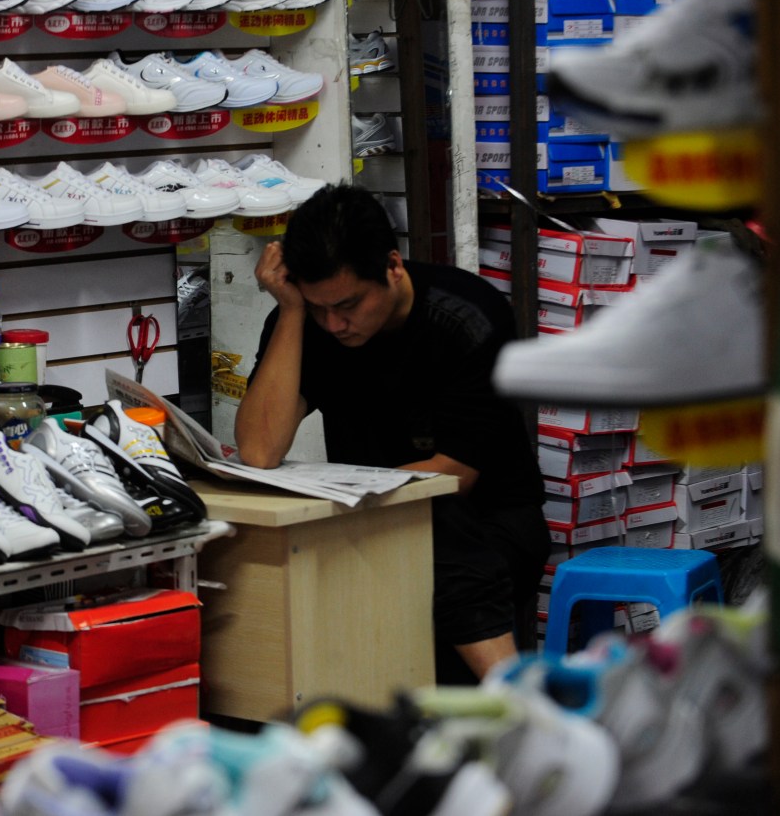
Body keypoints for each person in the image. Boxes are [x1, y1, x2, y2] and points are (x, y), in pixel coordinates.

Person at [234, 184, 548, 683]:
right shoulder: (308, 321)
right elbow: (258, 449)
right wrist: (291, 313)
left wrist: (339, 515)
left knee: (436, 533)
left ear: (393, 267)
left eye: (348, 305)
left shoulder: (466, 317)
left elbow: (453, 477)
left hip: (488, 522)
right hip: (370, 522)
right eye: (317, 307)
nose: (334, 324)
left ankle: (517, 705)